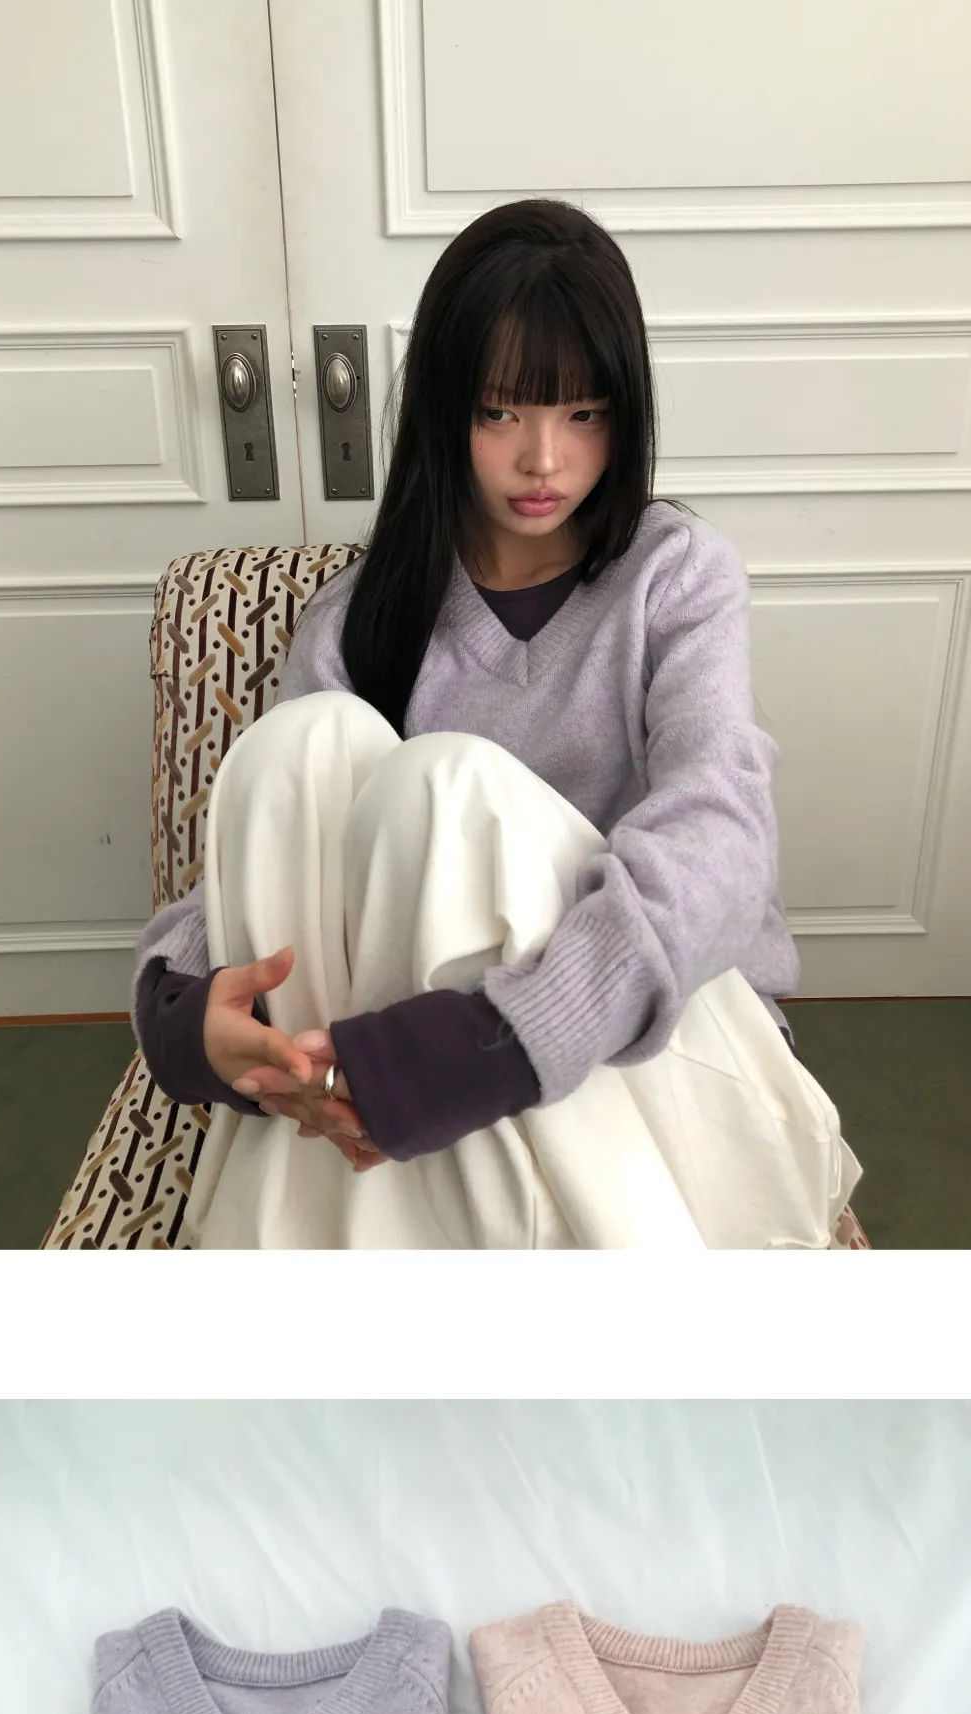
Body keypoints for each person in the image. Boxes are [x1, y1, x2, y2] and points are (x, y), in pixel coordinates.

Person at [133, 197, 858, 1253]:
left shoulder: (674, 578)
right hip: (406, 1062)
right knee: (303, 746)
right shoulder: (361, 616)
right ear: (442, 410)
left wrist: (486, 1044)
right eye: (501, 412)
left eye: (584, 414)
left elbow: (721, 831)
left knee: (445, 786)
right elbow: (275, 845)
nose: (544, 461)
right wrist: (181, 1008)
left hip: (658, 1048)